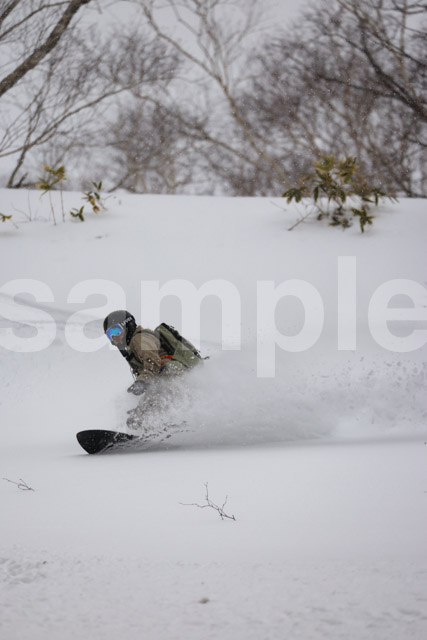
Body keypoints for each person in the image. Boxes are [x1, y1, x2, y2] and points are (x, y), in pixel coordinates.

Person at [103, 309, 188, 397]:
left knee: (151, 404)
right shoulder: (132, 345)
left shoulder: (139, 339)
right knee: (146, 404)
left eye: (116, 331)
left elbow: (153, 361)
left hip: (172, 375)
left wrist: (142, 381)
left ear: (127, 325)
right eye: (110, 334)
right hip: (169, 377)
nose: (114, 337)